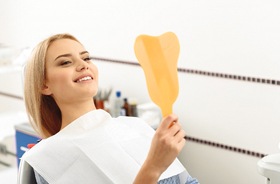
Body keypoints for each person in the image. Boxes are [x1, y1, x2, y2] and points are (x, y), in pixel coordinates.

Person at [21, 33, 199, 184]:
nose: (83, 65)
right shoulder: (46, 160)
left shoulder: (136, 127)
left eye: (86, 58)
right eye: (66, 62)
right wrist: (153, 168)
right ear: (44, 85)